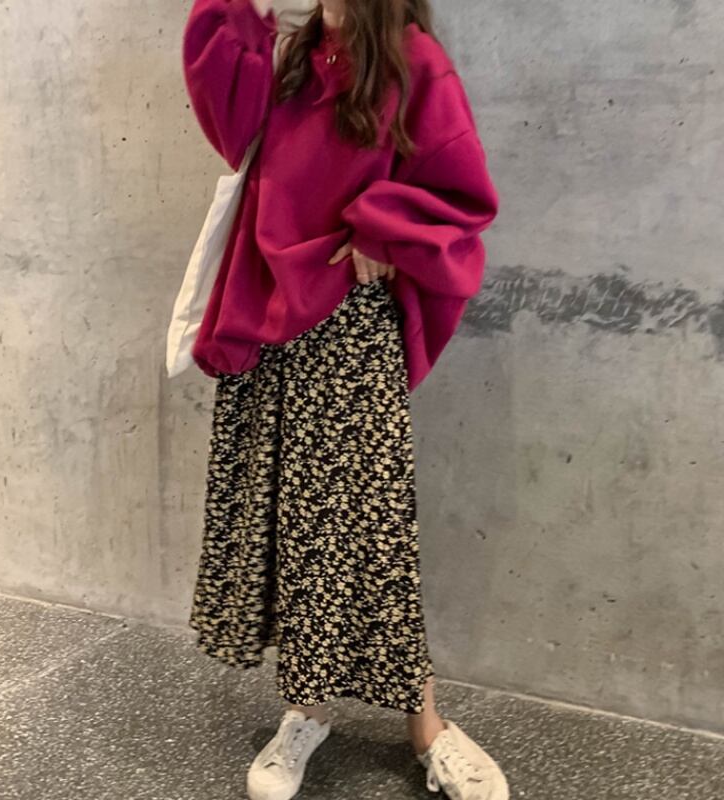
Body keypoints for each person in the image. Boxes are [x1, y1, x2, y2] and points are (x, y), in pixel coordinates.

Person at [181, 0, 505, 798]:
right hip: (264, 314)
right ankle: (307, 709)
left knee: (369, 524)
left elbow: (463, 196)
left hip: (347, 324)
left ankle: (426, 723)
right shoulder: (289, 57)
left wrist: (384, 230)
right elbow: (227, 119)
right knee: (291, 524)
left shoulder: (413, 60)